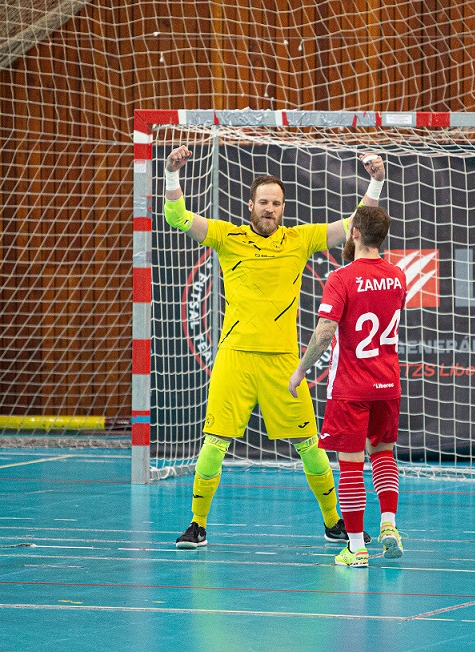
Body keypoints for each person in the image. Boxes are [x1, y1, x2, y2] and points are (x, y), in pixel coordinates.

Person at [163, 145, 386, 549]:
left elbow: (356, 223)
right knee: (214, 442)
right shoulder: (226, 236)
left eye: (277, 203)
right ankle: (197, 525)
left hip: (285, 363)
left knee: (310, 446)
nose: (270, 208)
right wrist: (172, 173)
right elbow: (176, 217)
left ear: (284, 208)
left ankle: (334, 522)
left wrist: (375, 181)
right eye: (264, 202)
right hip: (235, 359)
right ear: (251, 205)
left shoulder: (299, 240)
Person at [288, 205, 406, 567]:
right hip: (388, 383)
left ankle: (356, 548)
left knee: (352, 466)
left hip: (351, 388)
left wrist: (300, 371)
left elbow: (325, 333)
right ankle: (389, 525)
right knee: (383, 453)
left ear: (353, 232)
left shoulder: (341, 278)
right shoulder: (398, 275)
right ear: (381, 236)